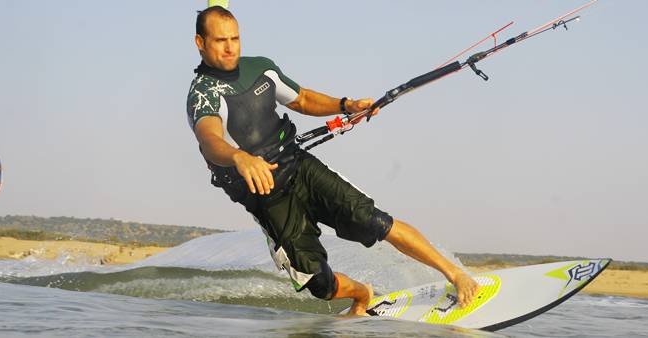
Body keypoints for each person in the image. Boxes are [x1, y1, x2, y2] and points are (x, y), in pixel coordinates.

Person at [185, 6, 479, 315]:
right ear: (200, 43)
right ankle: (362, 294)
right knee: (319, 284)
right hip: (266, 196)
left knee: (374, 220)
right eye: (220, 40)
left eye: (235, 38)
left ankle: (455, 274)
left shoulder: (261, 68)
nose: (230, 47)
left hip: (299, 167)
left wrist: (345, 105)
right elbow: (210, 138)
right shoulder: (202, 94)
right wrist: (239, 157)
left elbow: (302, 99)